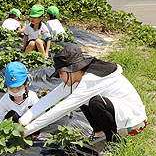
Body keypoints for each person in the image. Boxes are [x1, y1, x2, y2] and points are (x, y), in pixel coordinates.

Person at [19, 47, 147, 142]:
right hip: (121, 114)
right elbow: (50, 99)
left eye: (61, 74)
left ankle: (114, 141)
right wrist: (23, 120)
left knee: (95, 102)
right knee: (86, 101)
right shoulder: (79, 76)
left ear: (70, 70)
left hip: (134, 123)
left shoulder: (90, 80)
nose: (60, 78)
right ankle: (99, 132)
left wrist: (29, 130)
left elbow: (61, 109)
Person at [0, 62, 44, 140]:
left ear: (26, 84)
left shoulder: (32, 97)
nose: (14, 91)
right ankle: (14, 137)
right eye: (11, 88)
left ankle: (36, 136)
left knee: (34, 113)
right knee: (12, 115)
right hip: (14, 130)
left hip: (30, 127)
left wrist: (28, 126)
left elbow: (41, 114)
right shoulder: (5, 99)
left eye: (18, 88)